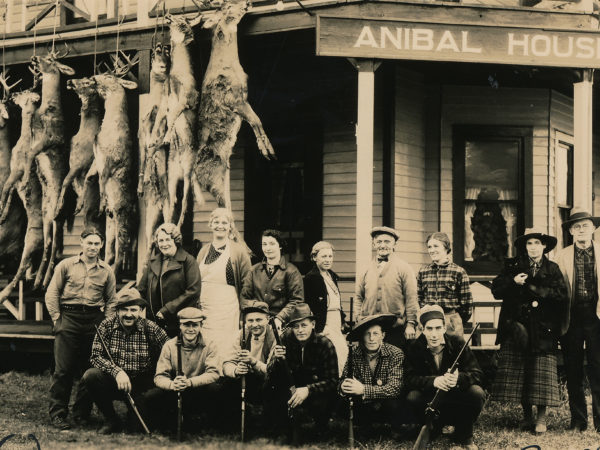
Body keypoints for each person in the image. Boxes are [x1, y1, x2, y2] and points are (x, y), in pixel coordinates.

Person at [491, 228, 568, 433]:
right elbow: (496, 290)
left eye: (536, 243)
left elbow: (561, 296)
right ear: (525, 247)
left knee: (540, 374)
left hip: (543, 330)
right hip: (518, 328)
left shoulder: (552, 268)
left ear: (544, 246)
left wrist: (536, 290)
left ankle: (541, 420)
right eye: (529, 243)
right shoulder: (513, 266)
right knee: (522, 372)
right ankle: (526, 417)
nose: (533, 247)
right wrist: (513, 282)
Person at [45, 228, 117, 430]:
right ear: (81, 243)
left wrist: (106, 325)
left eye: (97, 243)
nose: (93, 247)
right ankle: (58, 414)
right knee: (63, 369)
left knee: (89, 370)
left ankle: (81, 414)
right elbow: (52, 293)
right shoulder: (66, 265)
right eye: (89, 243)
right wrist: (57, 319)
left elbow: (112, 300)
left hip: (94, 319)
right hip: (69, 317)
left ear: (101, 245)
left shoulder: (106, 270)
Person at [81, 288, 168, 434]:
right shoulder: (106, 326)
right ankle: (111, 419)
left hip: (142, 383)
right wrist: (117, 372)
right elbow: (95, 356)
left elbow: (169, 351)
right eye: (124, 310)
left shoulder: (151, 328)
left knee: (135, 429)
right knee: (91, 376)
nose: (128, 314)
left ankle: (136, 415)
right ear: (117, 311)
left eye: (133, 310)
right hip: (115, 382)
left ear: (140, 310)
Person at [404, 305, 485, 450]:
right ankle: (432, 428)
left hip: (456, 399)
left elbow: (477, 373)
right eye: (429, 329)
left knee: (477, 393)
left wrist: (458, 379)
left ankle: (462, 429)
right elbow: (409, 379)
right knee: (412, 397)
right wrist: (434, 381)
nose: (434, 334)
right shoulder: (414, 347)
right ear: (422, 329)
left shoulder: (458, 342)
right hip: (431, 401)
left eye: (437, 328)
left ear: (444, 328)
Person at [264, 303, 338, 442]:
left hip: (315, 391)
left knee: (326, 400)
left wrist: (308, 390)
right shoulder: (285, 339)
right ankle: (278, 426)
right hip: (293, 387)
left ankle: (321, 427)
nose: (300, 330)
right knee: (270, 389)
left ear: (313, 324)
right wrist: (277, 359)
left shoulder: (325, 344)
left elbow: (333, 381)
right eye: (296, 326)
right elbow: (272, 374)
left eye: (304, 325)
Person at [555, 210, 600, 432]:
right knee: (573, 370)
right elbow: (555, 289)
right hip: (571, 317)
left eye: (585, 226)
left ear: (593, 228)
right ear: (571, 231)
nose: (581, 230)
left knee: (598, 368)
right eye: (577, 227)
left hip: (597, 316)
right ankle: (578, 421)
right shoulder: (561, 256)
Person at [145, 307, 220, 432]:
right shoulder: (169, 345)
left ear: (201, 326)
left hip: (198, 389)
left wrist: (190, 382)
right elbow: (159, 376)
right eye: (186, 325)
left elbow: (214, 373)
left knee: (216, 389)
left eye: (195, 325)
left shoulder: (210, 345)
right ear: (180, 326)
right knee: (151, 397)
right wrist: (172, 384)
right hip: (176, 390)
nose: (190, 329)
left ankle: (209, 423)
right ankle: (168, 424)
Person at [196, 208, 251, 358]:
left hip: (227, 308)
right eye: (217, 222)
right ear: (211, 224)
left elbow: (247, 284)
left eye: (224, 222)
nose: (220, 226)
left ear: (230, 226)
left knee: (225, 346)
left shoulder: (239, 251)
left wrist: (243, 313)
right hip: (206, 307)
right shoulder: (204, 251)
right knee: (206, 344)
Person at [356, 226, 419, 349]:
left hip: (395, 328)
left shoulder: (404, 268)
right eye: (379, 242)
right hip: (370, 328)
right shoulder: (365, 269)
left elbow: (411, 298)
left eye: (387, 242)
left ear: (395, 244)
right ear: (374, 244)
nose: (383, 245)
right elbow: (359, 297)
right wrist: (358, 317)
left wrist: (411, 324)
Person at [340, 314, 404, 434]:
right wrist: (343, 386)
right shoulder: (354, 352)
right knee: (343, 403)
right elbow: (344, 378)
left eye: (375, 334)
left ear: (383, 335)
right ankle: (364, 426)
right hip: (365, 404)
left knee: (394, 404)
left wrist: (364, 389)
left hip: (386, 403)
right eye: (367, 334)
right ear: (362, 336)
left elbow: (395, 388)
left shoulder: (395, 353)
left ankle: (395, 429)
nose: (371, 338)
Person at [137, 223, 201, 337]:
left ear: (176, 240)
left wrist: (167, 310)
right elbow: (141, 289)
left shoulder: (188, 261)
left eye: (168, 239)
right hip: (154, 323)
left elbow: (193, 291)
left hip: (179, 323)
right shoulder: (153, 262)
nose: (164, 244)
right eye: (161, 240)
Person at [221, 301, 276, 430]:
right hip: (249, 378)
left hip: (268, 381)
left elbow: (272, 370)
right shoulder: (241, 335)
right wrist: (235, 370)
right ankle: (236, 424)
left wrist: (253, 361)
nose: (254, 324)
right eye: (250, 321)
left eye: (259, 320)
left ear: (267, 319)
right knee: (226, 386)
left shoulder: (275, 337)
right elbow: (227, 363)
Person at [241, 229, 304, 332]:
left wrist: (280, 318)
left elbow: (297, 301)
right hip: (256, 324)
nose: (267, 248)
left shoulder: (291, 271)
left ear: (280, 246)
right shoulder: (253, 270)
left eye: (272, 244)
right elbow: (244, 298)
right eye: (264, 244)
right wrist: (259, 308)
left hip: (281, 325)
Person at [303, 241, 348, 374]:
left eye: (330, 256)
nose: (328, 260)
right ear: (314, 257)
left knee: (343, 352)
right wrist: (319, 327)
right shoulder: (311, 278)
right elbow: (309, 305)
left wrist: (343, 320)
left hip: (336, 321)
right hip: (324, 322)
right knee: (335, 353)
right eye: (323, 257)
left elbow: (337, 303)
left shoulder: (331, 276)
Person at [417, 232, 473, 337]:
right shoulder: (423, 271)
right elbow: (418, 298)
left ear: (446, 248)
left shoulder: (458, 271)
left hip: (450, 320)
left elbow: (467, 304)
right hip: (428, 320)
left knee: (454, 351)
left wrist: (455, 321)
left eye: (436, 246)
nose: (432, 250)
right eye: (429, 247)